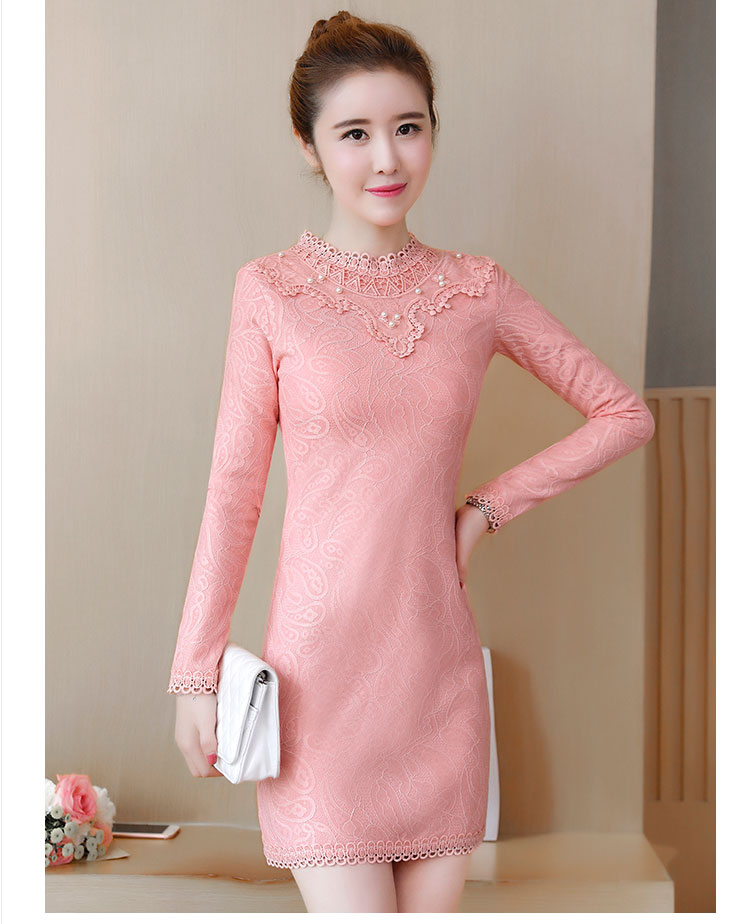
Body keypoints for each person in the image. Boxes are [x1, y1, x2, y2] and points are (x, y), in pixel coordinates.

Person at [167, 10, 656, 914]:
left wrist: (487, 509)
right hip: (317, 686)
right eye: (354, 133)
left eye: (408, 127)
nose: (387, 158)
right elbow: (233, 494)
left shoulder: (478, 291)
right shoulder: (270, 292)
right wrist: (196, 673)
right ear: (310, 147)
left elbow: (625, 414)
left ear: (432, 130)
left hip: (437, 681)